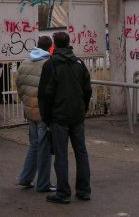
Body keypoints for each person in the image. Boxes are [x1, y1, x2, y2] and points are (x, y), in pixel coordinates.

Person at [38, 31, 92, 204]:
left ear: (55, 44)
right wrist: (82, 108)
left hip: (58, 117)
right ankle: (84, 190)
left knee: (61, 155)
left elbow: (45, 94)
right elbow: (87, 89)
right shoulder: (79, 63)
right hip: (77, 115)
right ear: (68, 43)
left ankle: (63, 192)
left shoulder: (51, 65)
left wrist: (46, 117)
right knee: (81, 152)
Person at [16, 36, 56, 192]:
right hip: (43, 112)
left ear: (37, 46)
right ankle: (44, 183)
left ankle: (25, 178)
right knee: (45, 148)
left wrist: (26, 103)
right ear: (50, 47)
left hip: (30, 110)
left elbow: (19, 86)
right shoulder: (49, 64)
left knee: (34, 145)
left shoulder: (25, 63)